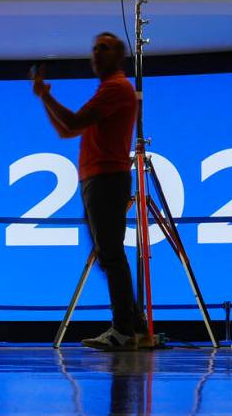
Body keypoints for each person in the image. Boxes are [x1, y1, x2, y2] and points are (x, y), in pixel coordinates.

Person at [32, 32, 149, 350]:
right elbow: (66, 130)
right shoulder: (108, 90)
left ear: (119, 56)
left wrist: (44, 95)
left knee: (111, 255)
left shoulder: (115, 89)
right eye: (94, 47)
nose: (96, 53)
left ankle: (124, 329)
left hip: (106, 179)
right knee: (110, 255)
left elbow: (71, 123)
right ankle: (134, 325)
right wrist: (44, 98)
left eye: (104, 47)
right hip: (99, 179)